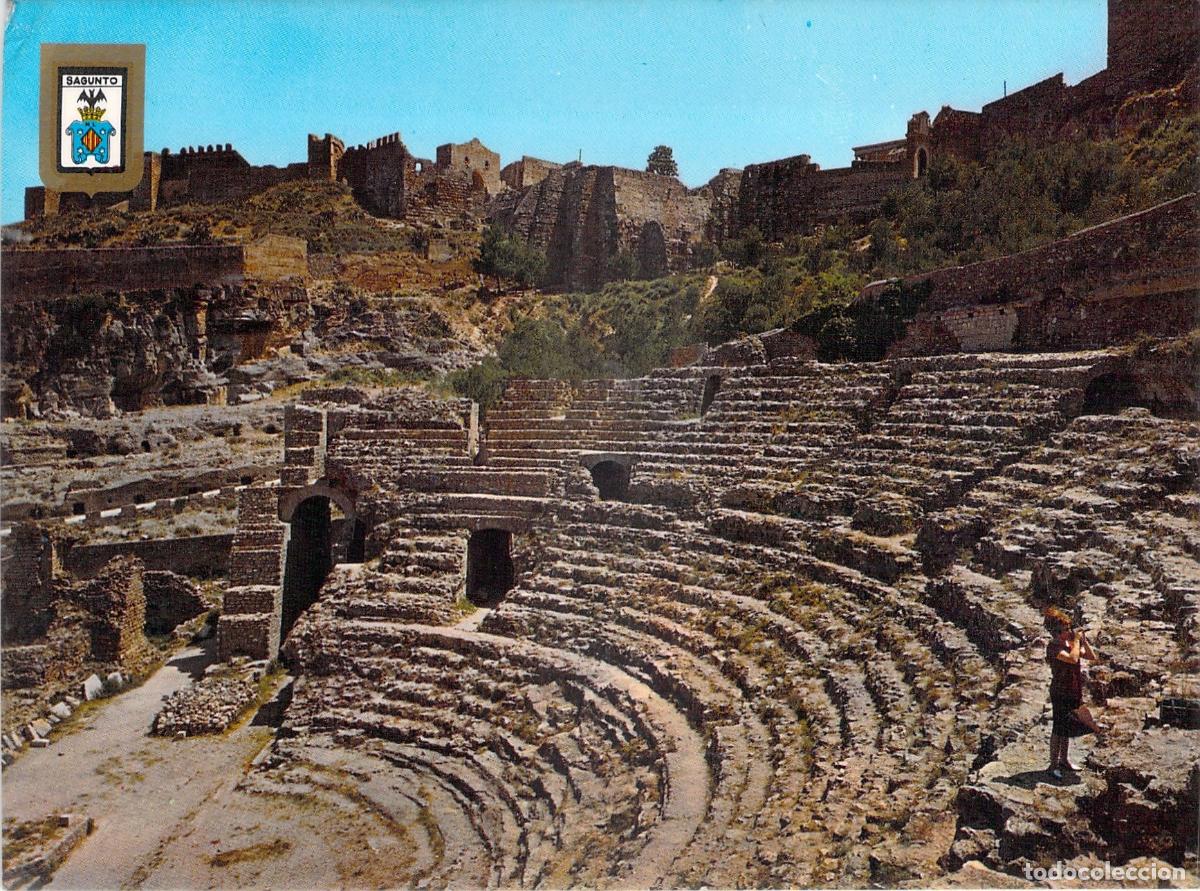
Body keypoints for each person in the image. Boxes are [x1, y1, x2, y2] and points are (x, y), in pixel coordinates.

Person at [1044, 607, 1098, 779]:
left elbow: (1090, 656)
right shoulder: (1054, 647)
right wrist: (1075, 641)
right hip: (1060, 691)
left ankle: (1064, 760)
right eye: (1061, 631)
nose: (1065, 633)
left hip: (1073, 689)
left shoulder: (1070, 644)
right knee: (1058, 728)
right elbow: (1073, 658)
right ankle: (1053, 765)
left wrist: (1083, 640)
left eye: (1066, 629)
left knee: (1066, 728)